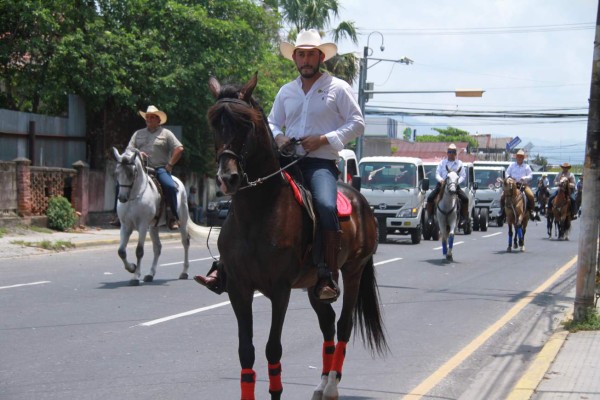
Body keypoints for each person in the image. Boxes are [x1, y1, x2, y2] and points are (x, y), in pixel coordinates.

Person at [194, 29, 364, 303]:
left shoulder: (338, 88)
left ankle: (326, 275)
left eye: (311, 54)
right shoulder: (287, 91)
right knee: (244, 198)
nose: (306, 59)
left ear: (320, 57)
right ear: (295, 58)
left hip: (319, 164)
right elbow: (271, 122)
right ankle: (225, 267)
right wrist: (280, 137)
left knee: (326, 205)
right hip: (285, 160)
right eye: (301, 54)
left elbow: (357, 123)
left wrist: (324, 139)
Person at [126, 105, 184, 229]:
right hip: (140, 168)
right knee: (122, 182)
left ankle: (173, 216)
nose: (149, 119)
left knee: (169, 186)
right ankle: (119, 215)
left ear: (158, 120)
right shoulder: (138, 134)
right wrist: (138, 152)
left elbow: (179, 148)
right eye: (147, 117)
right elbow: (128, 149)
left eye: (152, 117)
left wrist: (170, 164)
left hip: (159, 169)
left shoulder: (166, 133)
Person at [425, 143, 469, 227]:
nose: (451, 153)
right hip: (442, 184)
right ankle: (430, 217)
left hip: (454, 184)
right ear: (447, 153)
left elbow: (463, 175)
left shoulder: (459, 163)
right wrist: (441, 180)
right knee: (430, 197)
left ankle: (464, 218)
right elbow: (437, 173)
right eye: (449, 151)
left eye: (453, 152)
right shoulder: (442, 162)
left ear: (456, 153)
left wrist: (456, 182)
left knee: (465, 199)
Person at [499, 149, 538, 221]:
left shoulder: (526, 166)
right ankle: (502, 211)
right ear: (516, 157)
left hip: (523, 185)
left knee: (531, 195)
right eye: (518, 156)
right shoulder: (512, 165)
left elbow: (530, 176)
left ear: (523, 158)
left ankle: (532, 211)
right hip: (512, 185)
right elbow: (507, 173)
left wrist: (525, 178)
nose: (520, 158)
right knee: (502, 196)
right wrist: (509, 178)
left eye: (521, 157)